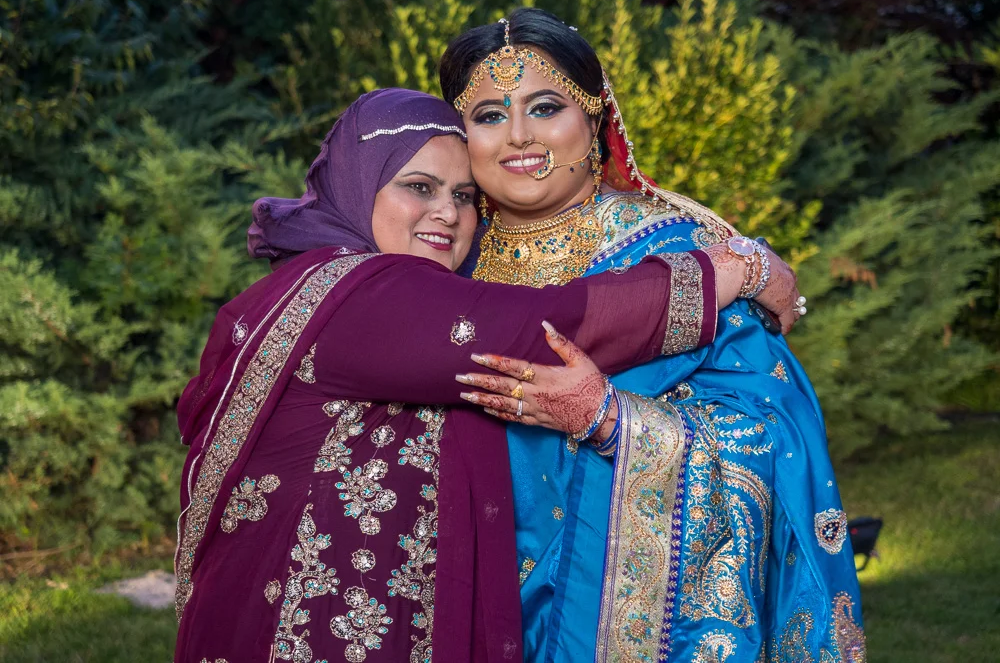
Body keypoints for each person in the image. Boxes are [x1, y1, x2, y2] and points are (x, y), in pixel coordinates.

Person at [172, 88, 800, 663]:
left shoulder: (356, 287)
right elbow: (544, 329)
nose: (447, 213)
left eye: (464, 195)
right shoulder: (356, 290)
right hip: (301, 630)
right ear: (358, 185)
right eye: (419, 187)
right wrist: (735, 268)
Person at [442, 9, 865, 663]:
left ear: (596, 118)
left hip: (622, 616)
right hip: (468, 591)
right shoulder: (442, 259)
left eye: (545, 107)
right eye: (490, 115)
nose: (519, 135)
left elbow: (771, 435)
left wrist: (613, 421)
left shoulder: (680, 252)